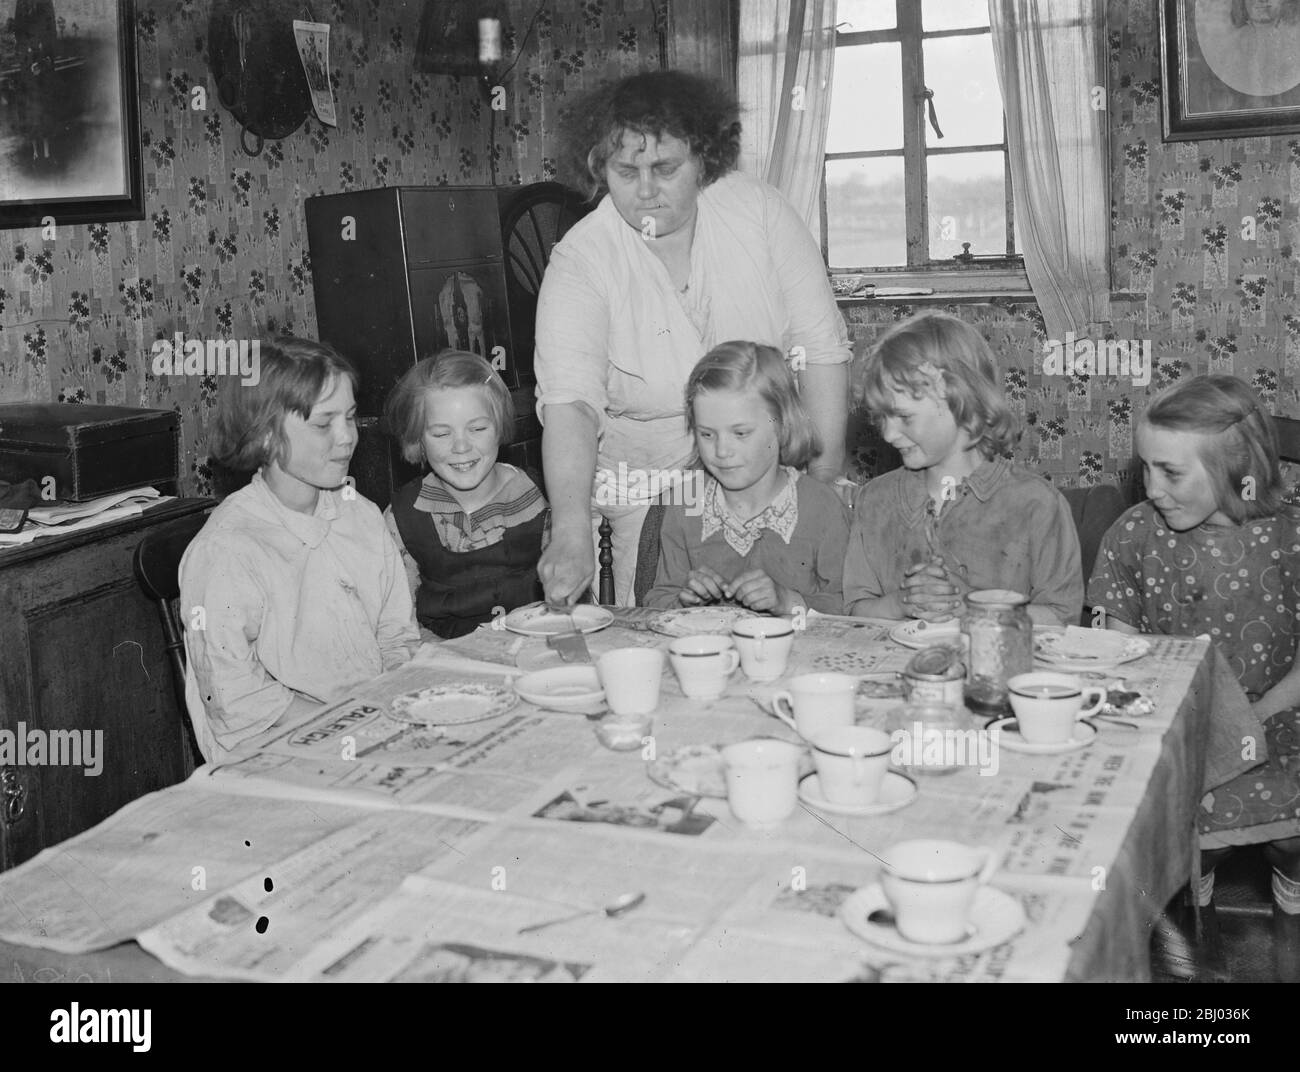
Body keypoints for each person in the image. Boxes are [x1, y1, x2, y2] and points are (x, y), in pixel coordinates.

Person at [534, 70, 851, 608]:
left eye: (665, 168)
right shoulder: (581, 259)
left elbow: (819, 351)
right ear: (599, 168)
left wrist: (819, 482)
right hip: (645, 495)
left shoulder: (761, 213)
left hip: (772, 477)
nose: (646, 190)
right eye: (625, 171)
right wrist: (568, 530)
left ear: (704, 160)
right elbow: (571, 405)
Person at [1088, 374, 1300, 982]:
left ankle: (1288, 913)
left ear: (1239, 469)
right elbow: (1112, 636)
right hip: (1179, 722)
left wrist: (1253, 718)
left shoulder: (1288, 538)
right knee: (1182, 834)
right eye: (1144, 468)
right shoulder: (1134, 534)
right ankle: (1195, 937)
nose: (1150, 488)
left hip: (1280, 717)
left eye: (1171, 472)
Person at [181, 338, 419, 763]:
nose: (347, 438)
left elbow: (397, 631)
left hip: (367, 729)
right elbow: (234, 697)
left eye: (349, 417)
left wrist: (383, 706)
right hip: (274, 754)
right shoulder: (226, 550)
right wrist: (347, 722)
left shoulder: (360, 516)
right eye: (323, 423)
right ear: (267, 435)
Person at [844, 314, 1082, 625]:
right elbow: (854, 611)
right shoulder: (875, 500)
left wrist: (972, 606)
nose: (888, 435)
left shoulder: (1037, 505)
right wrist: (900, 603)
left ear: (963, 403)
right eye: (881, 418)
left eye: (904, 417)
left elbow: (1063, 618)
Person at [642, 341, 850, 615]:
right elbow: (657, 600)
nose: (722, 451)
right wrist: (684, 600)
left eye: (740, 433)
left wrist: (788, 601)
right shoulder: (686, 501)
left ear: (782, 425)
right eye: (707, 434)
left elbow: (850, 608)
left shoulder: (822, 506)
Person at [384, 350, 547, 638]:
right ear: (417, 438)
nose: (461, 447)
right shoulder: (403, 516)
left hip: (533, 646)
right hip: (443, 657)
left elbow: (568, 605)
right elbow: (398, 622)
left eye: (478, 428)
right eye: (441, 434)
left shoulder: (539, 499)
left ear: (499, 427)